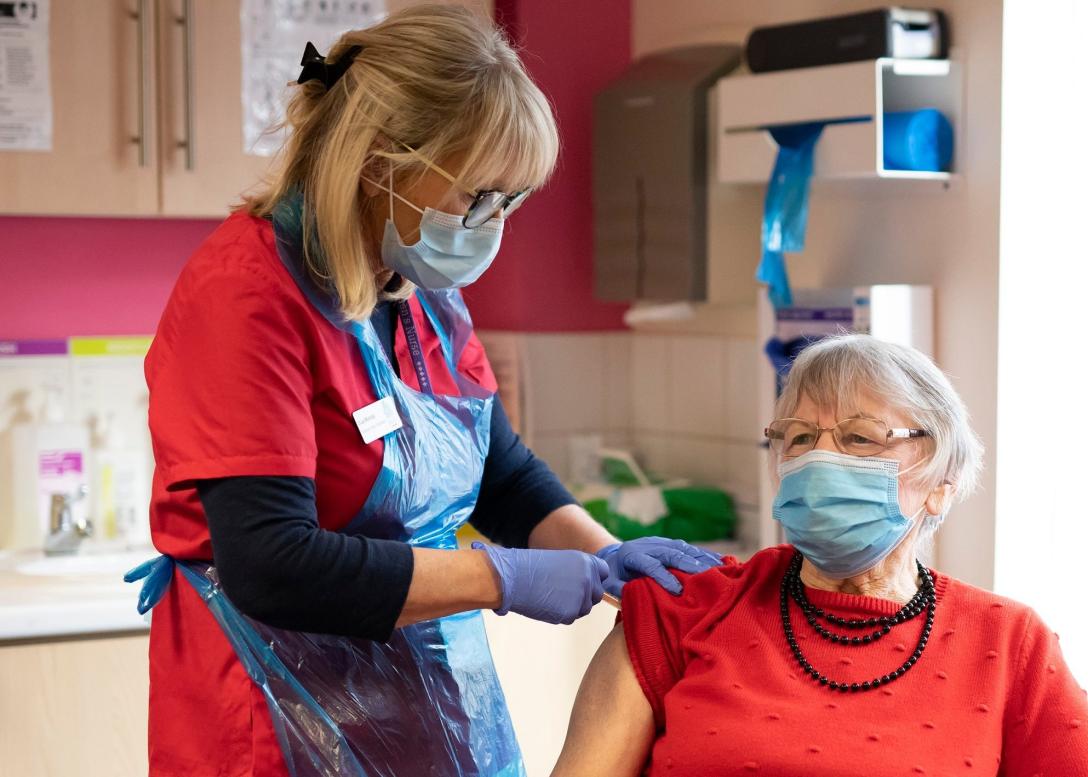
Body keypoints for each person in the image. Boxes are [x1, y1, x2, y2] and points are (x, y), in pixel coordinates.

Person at [125, 6, 720, 775]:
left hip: (418, 704)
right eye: (477, 196)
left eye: (510, 201)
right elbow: (272, 562)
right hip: (274, 714)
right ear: (380, 164)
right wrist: (500, 577)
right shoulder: (247, 295)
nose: (492, 223)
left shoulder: (417, 288)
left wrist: (609, 562)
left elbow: (499, 473)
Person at [553, 335, 1088, 776]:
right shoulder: (678, 609)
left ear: (942, 481)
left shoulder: (1007, 642)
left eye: (860, 438)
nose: (818, 459)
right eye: (800, 438)